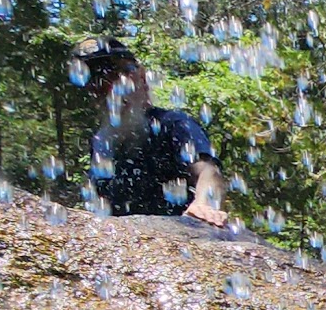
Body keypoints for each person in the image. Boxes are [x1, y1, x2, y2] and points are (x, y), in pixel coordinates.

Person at [77, 39, 231, 225]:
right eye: (95, 80)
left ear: (141, 77)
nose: (109, 88)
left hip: (178, 240)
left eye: (117, 74)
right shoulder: (101, 142)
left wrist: (203, 205)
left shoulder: (174, 124)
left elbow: (208, 171)